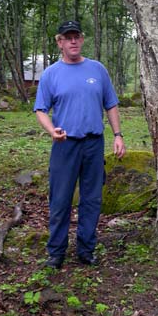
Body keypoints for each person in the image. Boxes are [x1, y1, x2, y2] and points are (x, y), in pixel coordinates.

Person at [34, 20, 126, 269]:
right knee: (60, 200)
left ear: (82, 40)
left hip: (93, 144)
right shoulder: (51, 74)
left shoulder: (97, 70)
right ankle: (56, 253)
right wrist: (52, 130)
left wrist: (118, 135)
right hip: (65, 145)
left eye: (77, 36)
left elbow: (111, 104)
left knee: (92, 199)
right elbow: (41, 109)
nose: (73, 41)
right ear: (60, 42)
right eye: (68, 37)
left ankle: (86, 249)